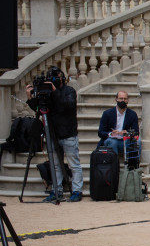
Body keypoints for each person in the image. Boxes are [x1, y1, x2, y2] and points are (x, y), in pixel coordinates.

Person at [25, 66, 83, 202]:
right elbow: (40, 108)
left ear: (62, 78)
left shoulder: (69, 91)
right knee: (55, 165)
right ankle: (57, 190)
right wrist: (30, 98)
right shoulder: (48, 93)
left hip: (68, 134)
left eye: (56, 77)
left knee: (74, 164)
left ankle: (77, 191)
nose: (54, 80)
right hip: (53, 134)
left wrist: (55, 91)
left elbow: (67, 105)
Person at [97, 90, 141, 160]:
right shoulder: (107, 113)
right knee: (112, 142)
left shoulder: (132, 114)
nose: (123, 101)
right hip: (112, 140)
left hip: (125, 140)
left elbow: (136, 132)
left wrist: (127, 133)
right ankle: (114, 166)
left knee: (138, 141)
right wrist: (111, 134)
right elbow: (100, 132)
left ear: (128, 100)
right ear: (116, 99)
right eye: (121, 98)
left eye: (125, 99)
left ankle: (133, 167)